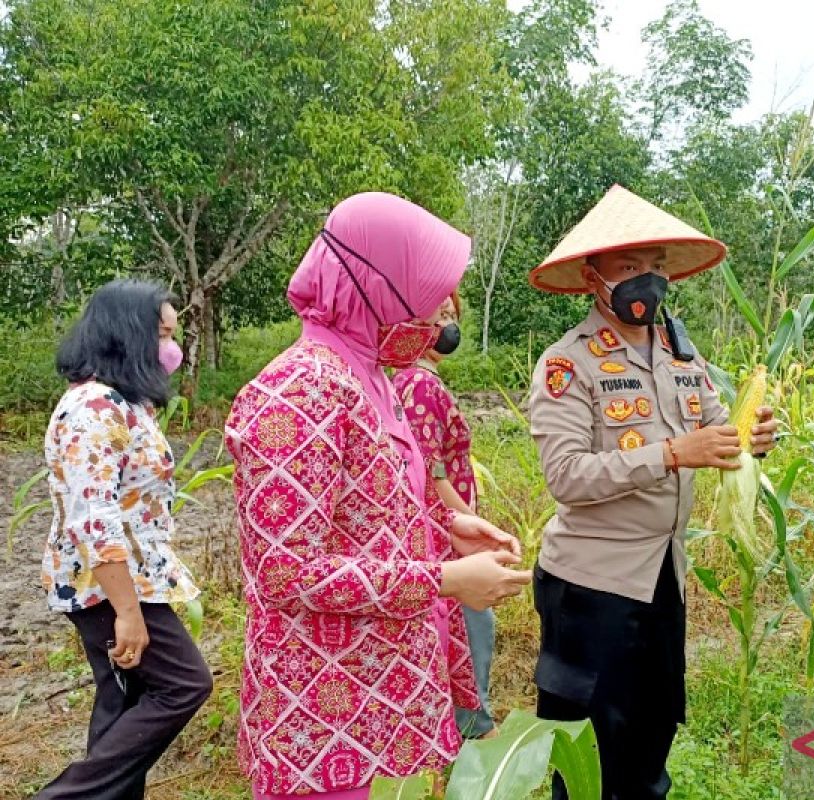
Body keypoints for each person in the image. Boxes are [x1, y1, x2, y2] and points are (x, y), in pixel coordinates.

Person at [224, 192, 531, 800]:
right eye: (435, 289)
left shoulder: (365, 375)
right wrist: (444, 579)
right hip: (319, 714)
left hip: (359, 701)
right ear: (378, 283)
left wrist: (444, 529)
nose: (445, 311)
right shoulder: (301, 389)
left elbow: (358, 507)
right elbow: (287, 571)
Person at [527, 184, 780, 799]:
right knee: (586, 758)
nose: (649, 281)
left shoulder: (681, 356)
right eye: (630, 268)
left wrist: (754, 438)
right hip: (591, 590)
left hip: (662, 578)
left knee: (649, 744)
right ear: (594, 277)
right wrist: (669, 455)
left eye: (657, 269)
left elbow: (719, 434)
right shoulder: (569, 364)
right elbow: (566, 476)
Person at [36, 280, 212, 800]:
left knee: (125, 699)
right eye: (161, 335)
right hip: (107, 584)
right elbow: (94, 516)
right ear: (127, 334)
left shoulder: (128, 403)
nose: (171, 349)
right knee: (184, 684)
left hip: (127, 579)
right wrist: (128, 611)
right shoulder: (94, 407)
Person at [392, 291, 498, 739]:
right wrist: (466, 526)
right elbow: (431, 475)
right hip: (446, 536)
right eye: (439, 315)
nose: (449, 325)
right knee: (471, 629)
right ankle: (474, 729)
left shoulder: (407, 382)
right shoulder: (421, 385)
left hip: (440, 531)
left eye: (454, 315)